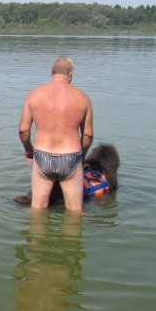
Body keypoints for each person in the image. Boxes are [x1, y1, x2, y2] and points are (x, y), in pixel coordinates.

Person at [18, 56, 93, 211]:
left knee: (38, 208)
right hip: (71, 156)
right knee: (74, 211)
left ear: (50, 72)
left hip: (42, 156)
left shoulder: (33, 95)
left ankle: (37, 235)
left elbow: (23, 130)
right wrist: (82, 155)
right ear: (71, 74)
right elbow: (88, 135)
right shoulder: (83, 98)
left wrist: (29, 150)